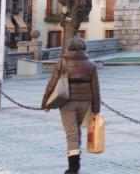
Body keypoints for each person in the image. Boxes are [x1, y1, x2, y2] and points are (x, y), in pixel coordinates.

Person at [42, 37, 100, 174]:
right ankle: (76, 162)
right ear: (84, 49)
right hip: (85, 101)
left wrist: (45, 103)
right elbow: (96, 89)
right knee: (76, 130)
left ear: (69, 48)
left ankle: (73, 168)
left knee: (71, 133)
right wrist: (96, 109)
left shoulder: (62, 63)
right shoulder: (91, 65)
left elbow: (51, 85)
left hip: (66, 101)